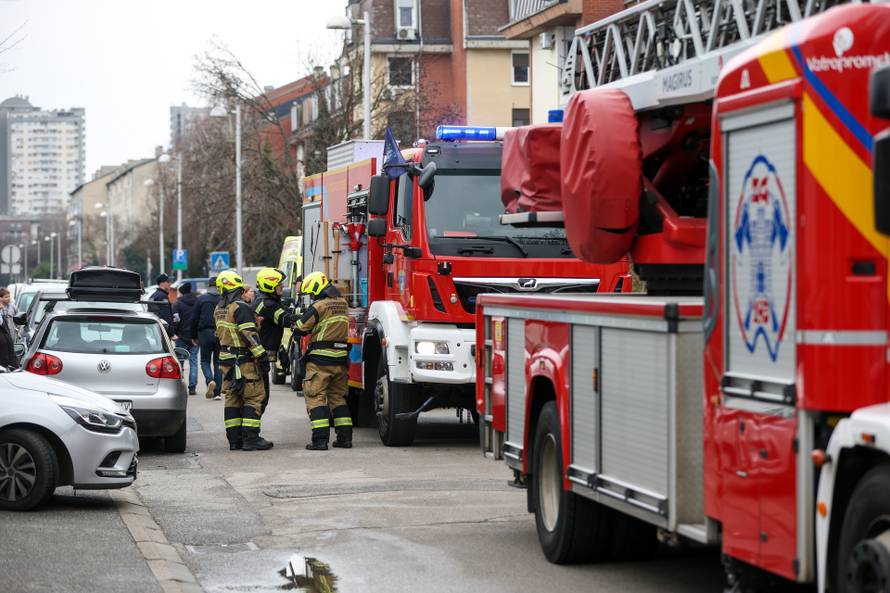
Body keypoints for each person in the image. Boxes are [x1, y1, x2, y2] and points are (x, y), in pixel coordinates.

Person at [293, 271, 352, 450]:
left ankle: (320, 440)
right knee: (338, 399)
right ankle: (345, 439)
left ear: (317, 289)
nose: (311, 297)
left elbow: (301, 328)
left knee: (316, 398)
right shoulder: (343, 303)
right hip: (340, 360)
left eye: (311, 293)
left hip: (320, 361)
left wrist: (295, 323)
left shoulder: (319, 306)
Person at [214, 270, 272, 451]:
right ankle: (251, 439)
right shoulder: (241, 307)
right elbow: (249, 335)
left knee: (232, 398)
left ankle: (234, 440)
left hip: (226, 361)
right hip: (243, 361)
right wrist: (262, 356)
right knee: (253, 397)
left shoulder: (219, 309)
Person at [253, 268, 301, 413]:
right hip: (256, 358)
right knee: (260, 398)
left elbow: (288, 311)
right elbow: (285, 319)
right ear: (269, 285)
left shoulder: (270, 301)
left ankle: (250, 433)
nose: (282, 286)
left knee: (261, 397)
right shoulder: (268, 304)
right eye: (279, 283)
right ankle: (250, 434)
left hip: (260, 359)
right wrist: (313, 316)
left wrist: (306, 311)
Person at [191, 275, 222, 400]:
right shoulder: (223, 299)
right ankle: (218, 393)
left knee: (205, 361)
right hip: (220, 333)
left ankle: (209, 381)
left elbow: (194, 319)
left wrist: (193, 336)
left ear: (209, 286)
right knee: (218, 362)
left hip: (205, 333)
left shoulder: (201, 299)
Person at [172, 283, 199, 395]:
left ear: (181, 292)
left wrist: (174, 332)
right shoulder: (198, 301)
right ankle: (192, 387)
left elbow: (176, 319)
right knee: (193, 362)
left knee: (180, 363)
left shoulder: (177, 303)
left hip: (181, 336)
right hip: (195, 337)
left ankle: (180, 386)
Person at [0, 288, 18, 369]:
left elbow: (18, 320)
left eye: (9, 296)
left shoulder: (13, 308)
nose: (8, 298)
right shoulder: (1, 312)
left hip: (11, 336)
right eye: (6, 297)